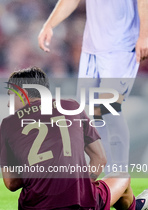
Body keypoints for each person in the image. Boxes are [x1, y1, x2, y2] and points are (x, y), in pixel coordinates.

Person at [0, 67, 148, 210]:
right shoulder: (73, 107)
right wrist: (79, 185)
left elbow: (11, 183)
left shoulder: (8, 124)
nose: (9, 105)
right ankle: (132, 209)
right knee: (121, 176)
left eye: (11, 96)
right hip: (81, 206)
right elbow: (100, 159)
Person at [38, 0, 148, 172]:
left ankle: (119, 174)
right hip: (92, 48)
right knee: (94, 114)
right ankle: (106, 173)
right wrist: (49, 25)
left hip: (122, 45)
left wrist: (144, 35)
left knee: (108, 108)